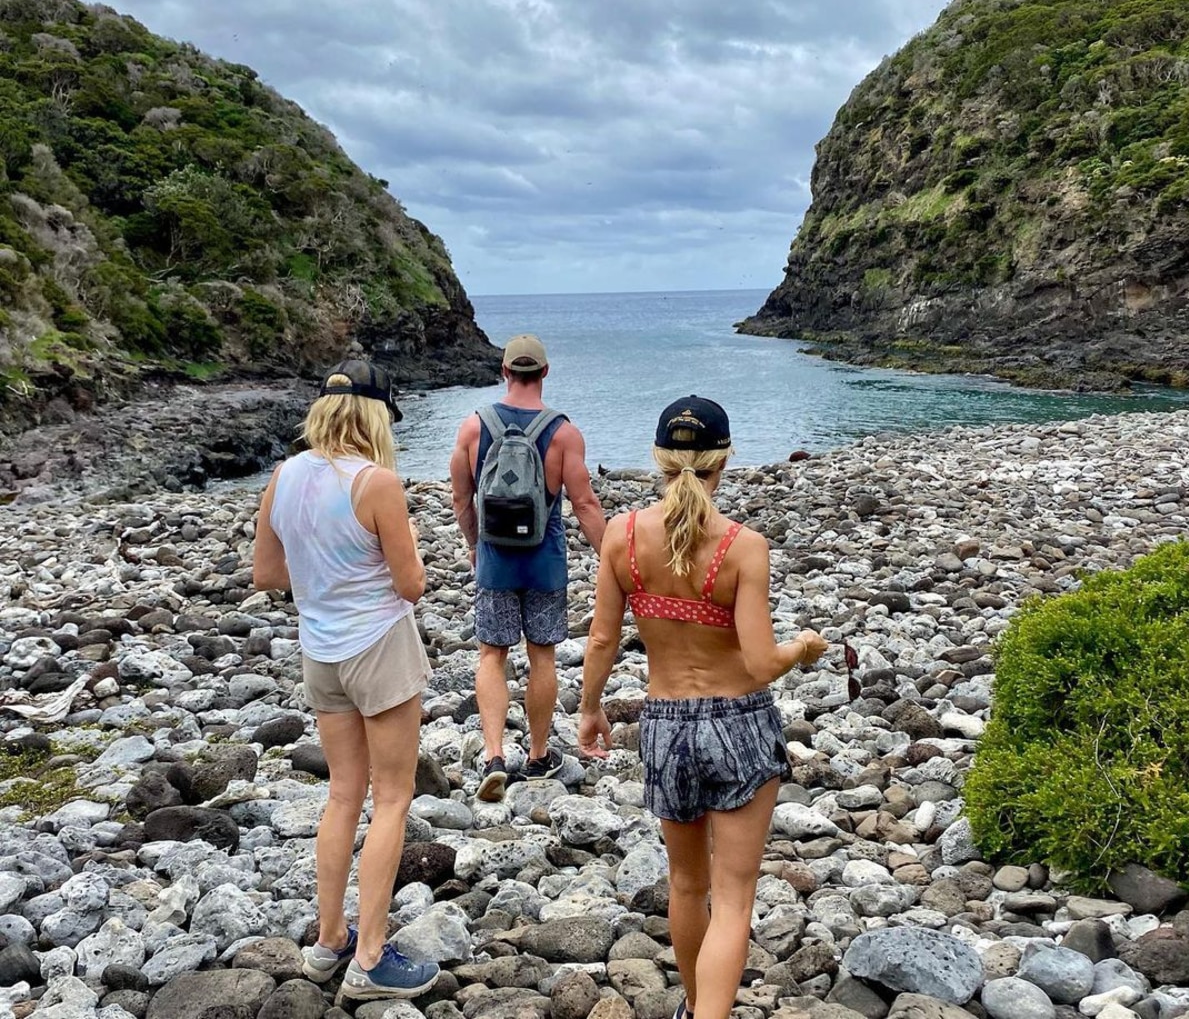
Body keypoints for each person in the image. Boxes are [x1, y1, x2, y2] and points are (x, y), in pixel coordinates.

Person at [577, 396, 828, 1019]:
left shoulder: (621, 536)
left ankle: (695, 1004)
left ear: (659, 461)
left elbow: (604, 637)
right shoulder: (743, 547)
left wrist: (590, 707)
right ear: (724, 461)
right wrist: (805, 645)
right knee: (735, 895)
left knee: (686, 885)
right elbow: (763, 661)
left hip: (664, 725)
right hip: (738, 720)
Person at [253, 360, 439, 1004]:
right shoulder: (377, 483)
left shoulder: (284, 474)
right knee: (392, 798)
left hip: (319, 651)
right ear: (376, 415)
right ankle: (369, 957)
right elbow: (411, 583)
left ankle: (329, 940)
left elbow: (268, 575)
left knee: (341, 795)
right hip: (379, 646)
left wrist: (323, 572)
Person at [450, 334, 606, 801]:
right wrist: (614, 559)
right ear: (544, 372)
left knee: (491, 656)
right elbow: (584, 504)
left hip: (496, 559)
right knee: (542, 656)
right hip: (544, 559)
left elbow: (461, 497)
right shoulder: (563, 433)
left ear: (503, 371)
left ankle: (495, 755)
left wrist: (476, 547)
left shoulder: (474, 428)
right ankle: (538, 756)